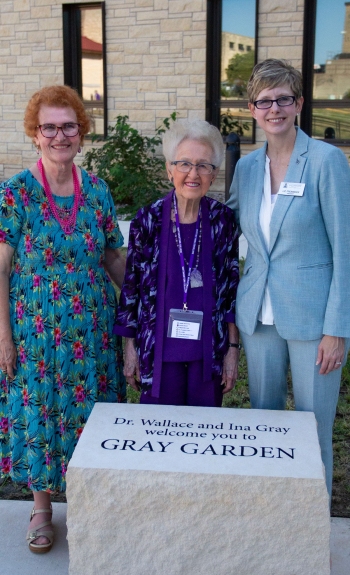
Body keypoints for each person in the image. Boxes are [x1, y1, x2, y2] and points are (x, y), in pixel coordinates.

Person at [0, 85, 126, 553]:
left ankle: (90, 506)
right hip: (34, 331)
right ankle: (41, 508)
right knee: (41, 415)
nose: (59, 135)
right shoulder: (14, 193)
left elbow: (113, 257)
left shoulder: (97, 191)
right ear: (35, 134)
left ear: (81, 131)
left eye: (68, 126)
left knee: (91, 415)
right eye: (49, 127)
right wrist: (3, 337)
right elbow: (1, 268)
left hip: (89, 332)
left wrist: (144, 308)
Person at [227, 59, 350, 499]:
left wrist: (337, 329)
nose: (274, 108)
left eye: (283, 98)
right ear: (252, 109)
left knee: (312, 428)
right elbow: (228, 230)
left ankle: (311, 519)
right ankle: (272, 512)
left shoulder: (325, 161)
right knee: (265, 424)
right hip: (259, 316)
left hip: (315, 319)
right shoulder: (246, 168)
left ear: (298, 103)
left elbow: (346, 250)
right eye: (264, 100)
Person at [114, 120, 240, 407]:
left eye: (203, 165)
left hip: (208, 351)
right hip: (157, 349)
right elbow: (132, 286)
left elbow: (232, 288)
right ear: (169, 170)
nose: (193, 174)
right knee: (157, 435)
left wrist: (233, 349)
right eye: (184, 164)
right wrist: (131, 347)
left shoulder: (223, 221)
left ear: (214, 174)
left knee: (204, 435)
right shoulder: (148, 219)